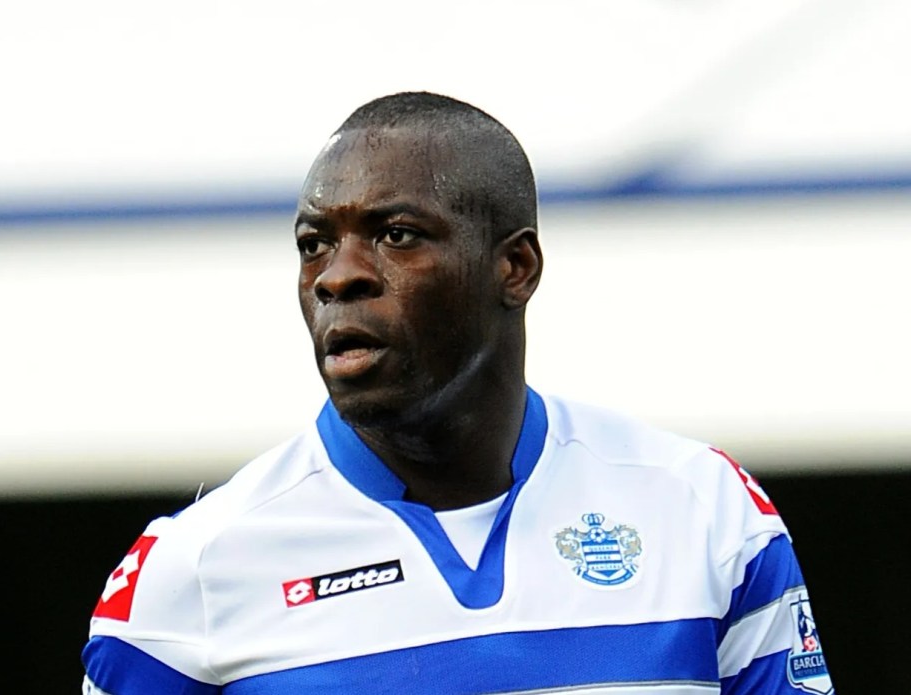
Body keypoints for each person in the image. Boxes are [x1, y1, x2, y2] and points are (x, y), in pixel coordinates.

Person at [81, 91, 834, 695]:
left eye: (396, 234)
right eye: (315, 243)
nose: (338, 276)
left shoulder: (703, 511)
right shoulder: (194, 571)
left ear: (516, 268)